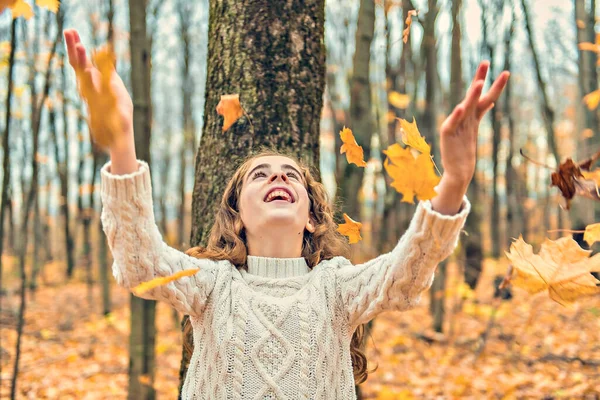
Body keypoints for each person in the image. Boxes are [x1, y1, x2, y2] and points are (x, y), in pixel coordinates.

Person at [63, 28, 509, 399]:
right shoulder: (213, 285)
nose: (278, 179)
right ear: (236, 216)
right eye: (260, 175)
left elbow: (406, 276)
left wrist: (454, 181)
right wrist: (121, 140)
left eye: (291, 177)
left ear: (313, 218)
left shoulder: (335, 287)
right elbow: (141, 264)